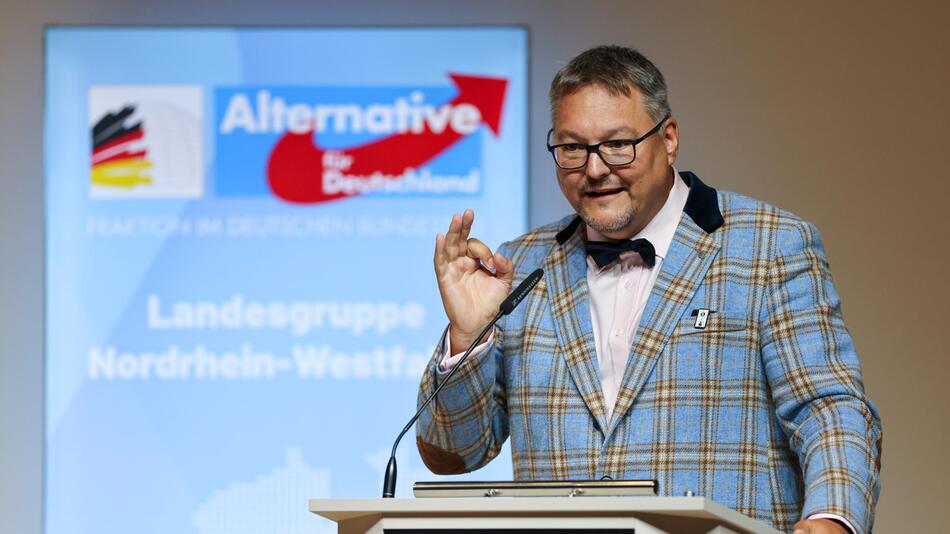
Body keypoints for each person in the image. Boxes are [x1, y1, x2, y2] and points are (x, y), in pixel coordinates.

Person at [415, 45, 881, 534]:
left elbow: (829, 407)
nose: (594, 169)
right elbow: (453, 455)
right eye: (573, 148)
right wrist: (467, 339)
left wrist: (832, 518)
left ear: (670, 138)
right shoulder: (521, 266)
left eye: (618, 144)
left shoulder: (769, 245)